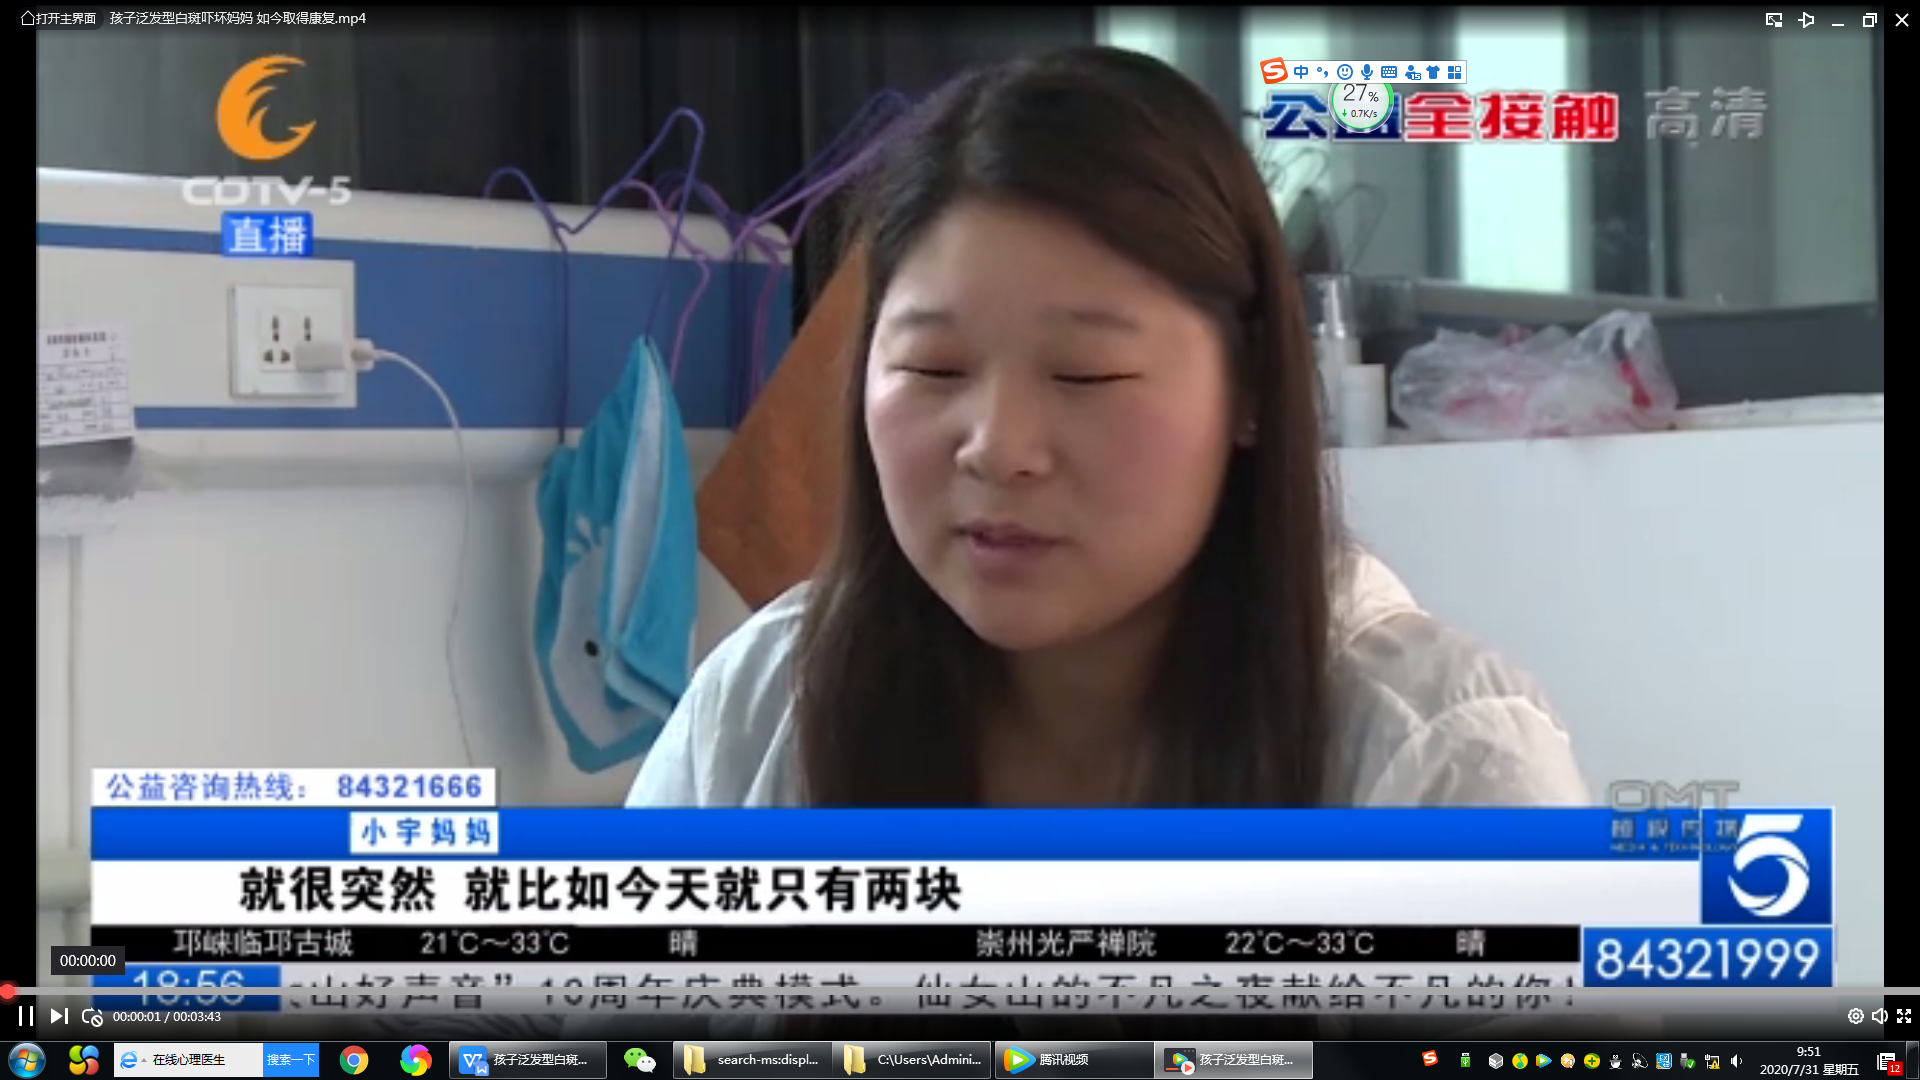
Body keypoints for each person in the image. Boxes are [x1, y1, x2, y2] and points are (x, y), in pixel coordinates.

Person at [629, 45, 1590, 811]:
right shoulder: (762, 705)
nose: (998, 448)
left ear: (1252, 386)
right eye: (933, 368)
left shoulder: (1437, 759)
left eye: (1085, 374)